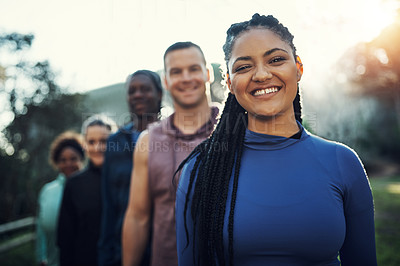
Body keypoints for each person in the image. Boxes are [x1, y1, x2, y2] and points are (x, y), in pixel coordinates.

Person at [176, 14, 377, 266]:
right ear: (229, 82)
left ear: (299, 67)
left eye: (276, 60)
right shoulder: (200, 168)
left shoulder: (343, 162)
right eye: (243, 67)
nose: (261, 75)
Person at [122, 42, 219, 266]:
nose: (186, 78)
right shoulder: (148, 141)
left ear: (208, 74)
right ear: (165, 81)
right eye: (176, 72)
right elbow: (137, 217)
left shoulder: (237, 130)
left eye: (193, 69)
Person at [98, 70, 163, 266]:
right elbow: (109, 204)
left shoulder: (174, 137)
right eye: (132, 90)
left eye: (145, 89)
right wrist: (106, 255)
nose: (137, 94)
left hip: (166, 249)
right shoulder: (114, 142)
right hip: (123, 251)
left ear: (159, 93)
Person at [57, 115, 116, 266]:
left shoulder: (128, 179)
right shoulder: (74, 184)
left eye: (104, 141)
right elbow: (65, 238)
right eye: (92, 142)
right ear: (84, 144)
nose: (98, 147)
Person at [36, 131, 85, 266]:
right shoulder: (47, 191)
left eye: (73, 158)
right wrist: (41, 257)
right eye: (63, 160)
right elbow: (40, 229)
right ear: (57, 163)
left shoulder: (89, 189)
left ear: (81, 159)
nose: (68, 163)